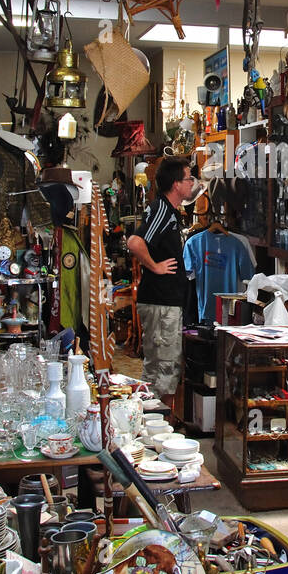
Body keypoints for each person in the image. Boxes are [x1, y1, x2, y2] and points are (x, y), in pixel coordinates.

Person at [126, 157, 197, 409]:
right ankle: (158, 427)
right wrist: (155, 266)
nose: (192, 183)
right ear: (176, 184)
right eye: (189, 178)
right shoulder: (162, 210)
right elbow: (135, 242)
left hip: (167, 302)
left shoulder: (170, 212)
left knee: (162, 369)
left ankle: (156, 424)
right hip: (160, 302)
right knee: (162, 370)